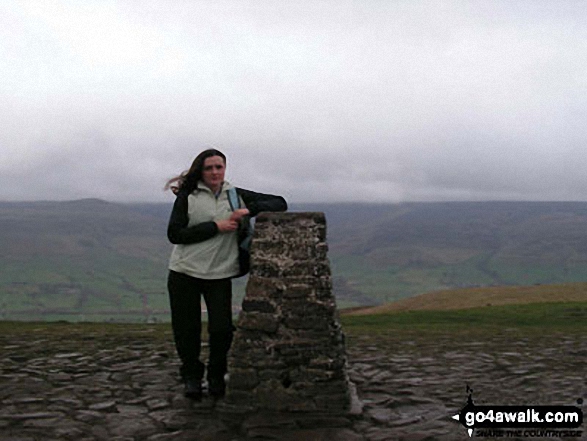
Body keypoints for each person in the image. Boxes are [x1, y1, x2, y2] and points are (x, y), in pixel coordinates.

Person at [165, 149, 287, 400]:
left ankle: (216, 376)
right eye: (209, 168)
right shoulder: (188, 196)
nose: (214, 172)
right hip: (184, 271)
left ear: (225, 169)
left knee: (221, 330)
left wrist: (247, 210)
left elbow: (280, 202)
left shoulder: (235, 194)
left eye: (219, 167)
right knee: (187, 330)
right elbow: (175, 234)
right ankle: (191, 377)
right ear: (201, 170)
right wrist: (215, 227)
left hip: (220, 273)